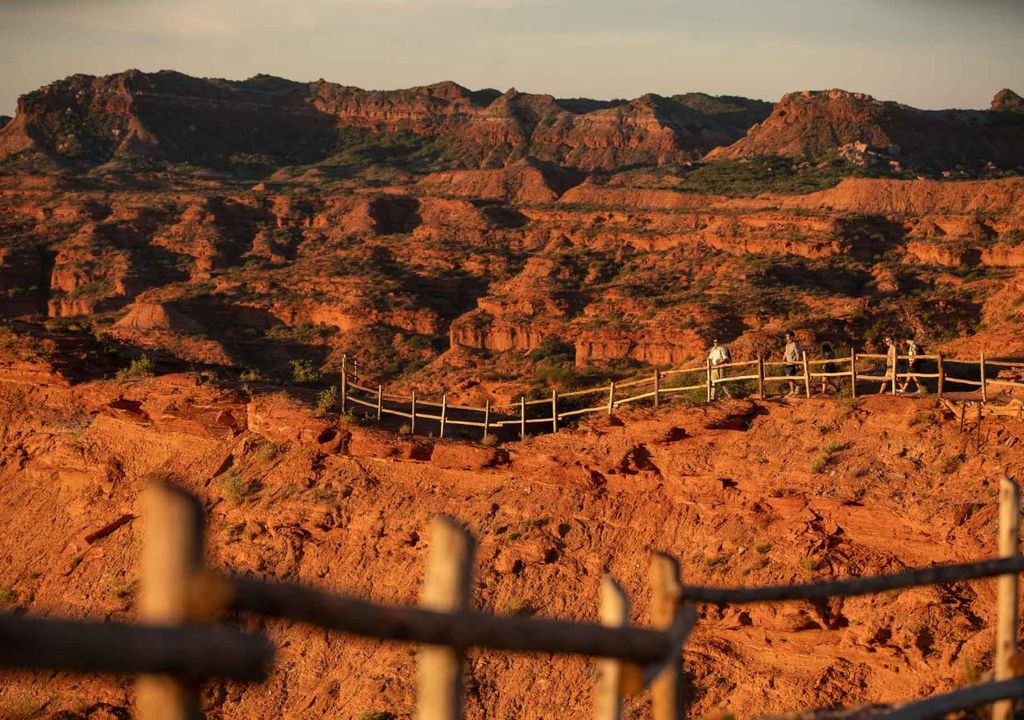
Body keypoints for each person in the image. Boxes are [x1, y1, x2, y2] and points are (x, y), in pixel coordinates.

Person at [782, 332, 802, 396]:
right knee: (789, 378)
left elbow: (797, 353)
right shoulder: (787, 345)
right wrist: (783, 360)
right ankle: (793, 390)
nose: (787, 338)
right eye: (786, 336)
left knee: (789, 376)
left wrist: (797, 362)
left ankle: (797, 387)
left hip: (792, 363)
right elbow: (785, 353)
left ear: (791, 337)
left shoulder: (794, 344)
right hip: (788, 363)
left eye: (788, 336)